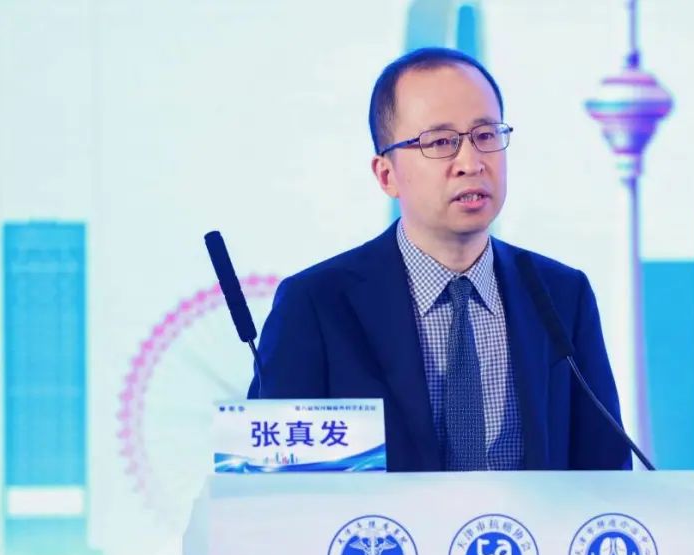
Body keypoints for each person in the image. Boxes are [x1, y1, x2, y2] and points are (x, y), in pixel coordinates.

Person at [249, 47, 630, 472]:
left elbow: (606, 475)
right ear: (386, 175)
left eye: (486, 135)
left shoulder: (561, 296)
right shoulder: (316, 306)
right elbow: (271, 486)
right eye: (440, 142)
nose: (471, 163)